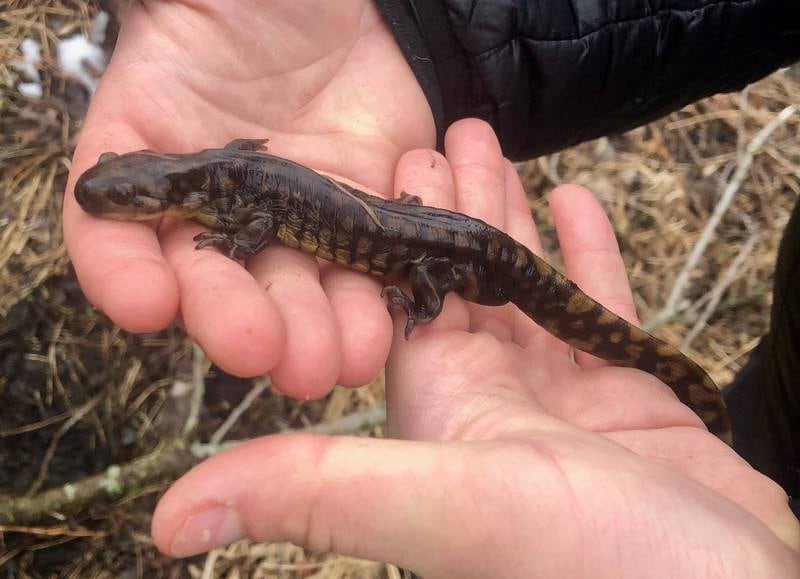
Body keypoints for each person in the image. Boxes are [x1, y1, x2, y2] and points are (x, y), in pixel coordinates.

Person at [63, 1, 800, 575]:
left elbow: (255, 215)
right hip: (437, 231)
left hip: (446, 251)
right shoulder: (213, 174)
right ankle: (733, 434)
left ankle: (705, 408)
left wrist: (246, 244)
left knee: (441, 273)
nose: (113, 199)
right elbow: (242, 172)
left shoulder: (220, 190)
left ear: (155, 191)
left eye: (120, 195)